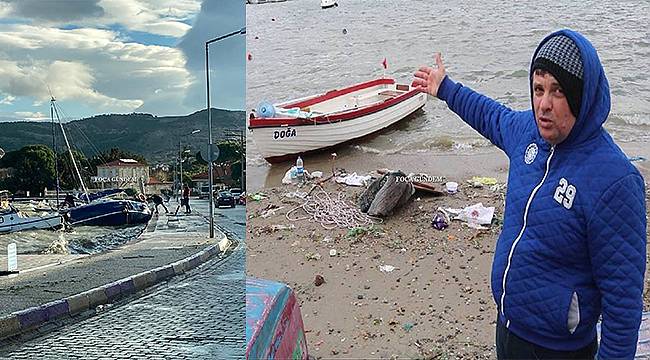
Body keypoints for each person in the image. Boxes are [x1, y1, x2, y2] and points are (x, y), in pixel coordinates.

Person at [413, 29, 646, 359]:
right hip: (509, 327)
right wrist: (446, 88)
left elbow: (623, 305)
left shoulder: (615, 180)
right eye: (538, 89)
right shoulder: (528, 134)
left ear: (581, 96)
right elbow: (490, 114)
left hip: (558, 349)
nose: (544, 105)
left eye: (558, 92)